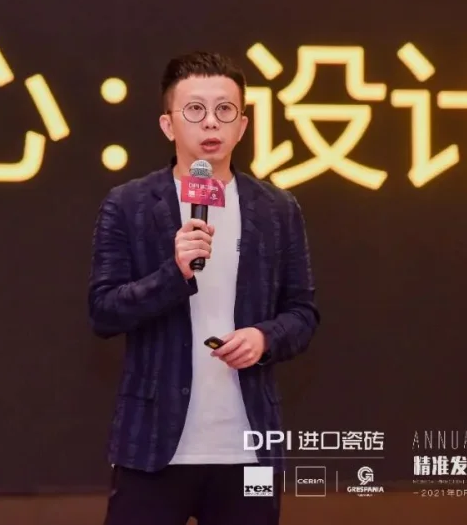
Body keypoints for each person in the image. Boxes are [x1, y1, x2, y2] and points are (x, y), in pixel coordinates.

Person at [87, 51, 321, 525]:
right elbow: (104, 311)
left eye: (224, 110)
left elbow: (303, 312)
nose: (211, 122)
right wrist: (174, 274)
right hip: (152, 446)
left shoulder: (277, 209)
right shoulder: (129, 204)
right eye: (195, 109)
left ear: (243, 125)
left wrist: (264, 338)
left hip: (249, 448)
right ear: (168, 125)